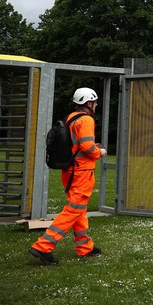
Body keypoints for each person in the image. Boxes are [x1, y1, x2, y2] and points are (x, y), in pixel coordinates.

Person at [29, 87, 107, 265]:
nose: (95, 105)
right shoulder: (86, 119)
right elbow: (87, 147)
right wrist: (100, 152)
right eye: (94, 102)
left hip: (71, 171)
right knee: (73, 210)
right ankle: (43, 246)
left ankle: (84, 246)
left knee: (79, 210)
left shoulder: (71, 117)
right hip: (82, 172)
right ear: (88, 103)